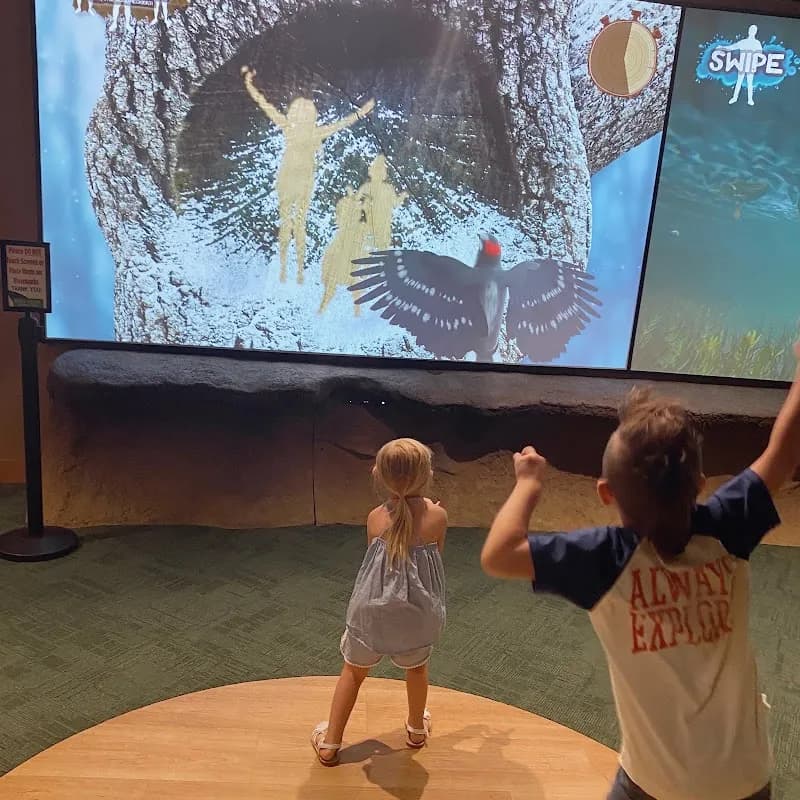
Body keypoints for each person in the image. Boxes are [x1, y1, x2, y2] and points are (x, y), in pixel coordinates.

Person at [480, 344, 800, 800]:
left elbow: (499, 554)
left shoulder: (602, 559)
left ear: (606, 493)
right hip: (744, 782)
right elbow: (783, 454)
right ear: (701, 484)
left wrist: (529, 483)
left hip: (653, 785)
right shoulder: (728, 527)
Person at [311, 438, 447, 766]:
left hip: (370, 616)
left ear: (378, 475)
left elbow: (377, 559)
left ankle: (330, 744)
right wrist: (430, 508)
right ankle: (416, 731)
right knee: (416, 670)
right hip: (416, 616)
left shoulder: (374, 517)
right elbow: (436, 556)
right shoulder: (438, 516)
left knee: (353, 673)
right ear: (427, 475)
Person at [241, 66, 375, 285]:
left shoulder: (289, 128)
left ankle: (287, 270)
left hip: (290, 177)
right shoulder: (315, 133)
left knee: (288, 223)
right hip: (301, 179)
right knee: (298, 223)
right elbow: (344, 123)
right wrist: (363, 111)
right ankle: (297, 271)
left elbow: (264, 104)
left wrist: (249, 84)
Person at [724, 25, 762, 106]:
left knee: (750, 83)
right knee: (739, 82)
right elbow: (732, 47)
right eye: (751, 30)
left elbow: (760, 55)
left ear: (755, 32)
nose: (752, 31)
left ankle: (750, 99)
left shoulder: (757, 43)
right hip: (742, 65)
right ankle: (734, 98)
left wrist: (755, 64)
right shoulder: (743, 42)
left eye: (753, 30)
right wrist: (722, 48)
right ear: (749, 31)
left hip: (750, 66)